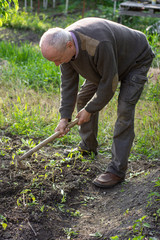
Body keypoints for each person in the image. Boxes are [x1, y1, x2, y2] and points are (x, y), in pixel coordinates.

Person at [39, 17, 155, 188]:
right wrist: (64, 117)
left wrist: (90, 109)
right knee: (83, 98)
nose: (57, 64)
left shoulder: (98, 44)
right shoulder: (64, 48)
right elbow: (68, 85)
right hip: (106, 64)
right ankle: (88, 147)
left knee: (124, 111)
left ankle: (116, 171)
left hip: (134, 60)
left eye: (57, 59)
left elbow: (110, 83)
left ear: (69, 46)